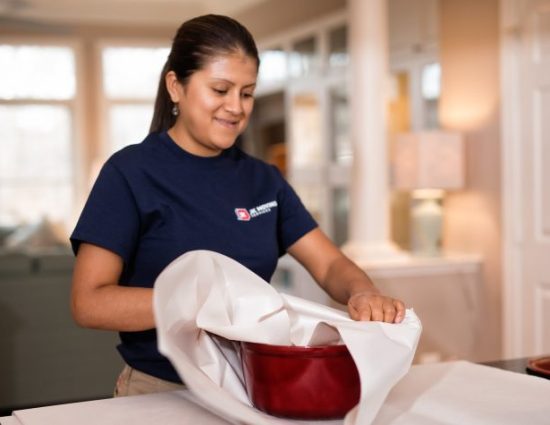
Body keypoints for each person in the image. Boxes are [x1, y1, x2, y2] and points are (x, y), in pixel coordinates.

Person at [70, 14, 405, 397]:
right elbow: (89, 302)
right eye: (220, 89)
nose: (236, 107)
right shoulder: (130, 173)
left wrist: (362, 292)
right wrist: (205, 300)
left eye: (246, 93)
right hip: (159, 390)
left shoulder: (263, 180)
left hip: (252, 387)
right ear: (175, 86)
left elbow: (329, 263)